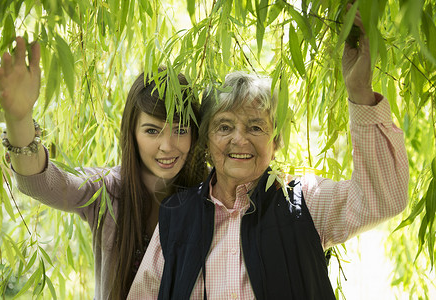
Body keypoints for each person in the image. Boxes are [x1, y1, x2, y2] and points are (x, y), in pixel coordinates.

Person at [127, 10, 409, 300]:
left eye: (256, 126)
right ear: (207, 144)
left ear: (275, 142)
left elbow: (382, 199)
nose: (240, 139)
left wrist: (360, 91)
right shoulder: (176, 216)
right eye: (224, 126)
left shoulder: (304, 201)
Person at [0, 37, 208, 299]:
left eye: (180, 130)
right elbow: (41, 182)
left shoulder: (212, 196)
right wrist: (20, 119)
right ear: (132, 134)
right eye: (152, 130)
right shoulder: (107, 190)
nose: (167, 146)